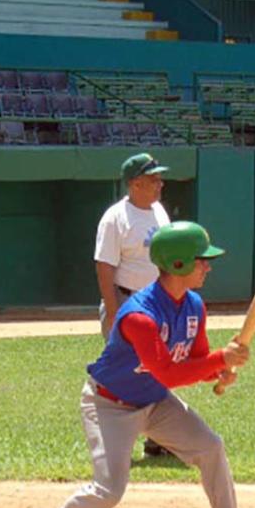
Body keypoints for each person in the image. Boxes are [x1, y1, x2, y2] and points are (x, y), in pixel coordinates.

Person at [19, 221, 255, 508]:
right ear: (177, 265)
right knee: (109, 489)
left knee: (211, 447)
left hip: (155, 402)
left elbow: (194, 363)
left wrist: (218, 370)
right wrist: (220, 359)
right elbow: (168, 373)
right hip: (109, 404)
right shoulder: (139, 316)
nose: (207, 266)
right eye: (201, 260)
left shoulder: (193, 305)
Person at [94, 152, 171, 457]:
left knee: (161, 369)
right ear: (135, 183)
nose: (160, 184)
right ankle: (115, 442)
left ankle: (158, 439)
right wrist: (113, 313)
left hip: (157, 304)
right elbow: (104, 267)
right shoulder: (116, 218)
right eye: (153, 179)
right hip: (127, 303)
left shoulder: (159, 211)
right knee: (127, 373)